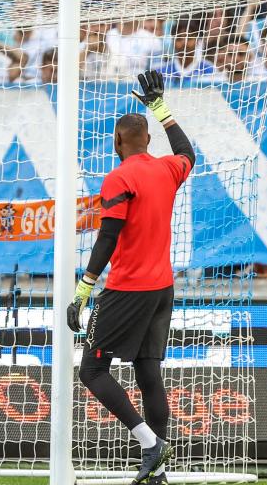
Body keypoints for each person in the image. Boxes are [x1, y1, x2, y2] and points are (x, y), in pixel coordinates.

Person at [68, 71, 196, 485]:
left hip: (128, 288)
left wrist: (83, 289)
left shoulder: (118, 178)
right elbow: (187, 152)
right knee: (148, 373)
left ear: (117, 142)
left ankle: (150, 444)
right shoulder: (168, 169)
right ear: (149, 140)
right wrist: (161, 108)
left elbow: (108, 237)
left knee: (92, 370)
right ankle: (158, 470)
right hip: (163, 287)